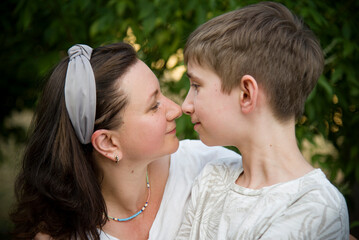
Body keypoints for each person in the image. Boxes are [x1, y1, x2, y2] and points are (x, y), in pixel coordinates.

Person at [10, 42, 241, 240]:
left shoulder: (209, 167)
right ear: (108, 143)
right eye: (154, 106)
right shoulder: (63, 234)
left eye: (161, 93)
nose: (176, 109)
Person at [177, 1, 349, 239]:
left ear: (246, 94)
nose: (185, 105)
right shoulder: (212, 178)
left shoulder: (316, 207)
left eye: (196, 85)